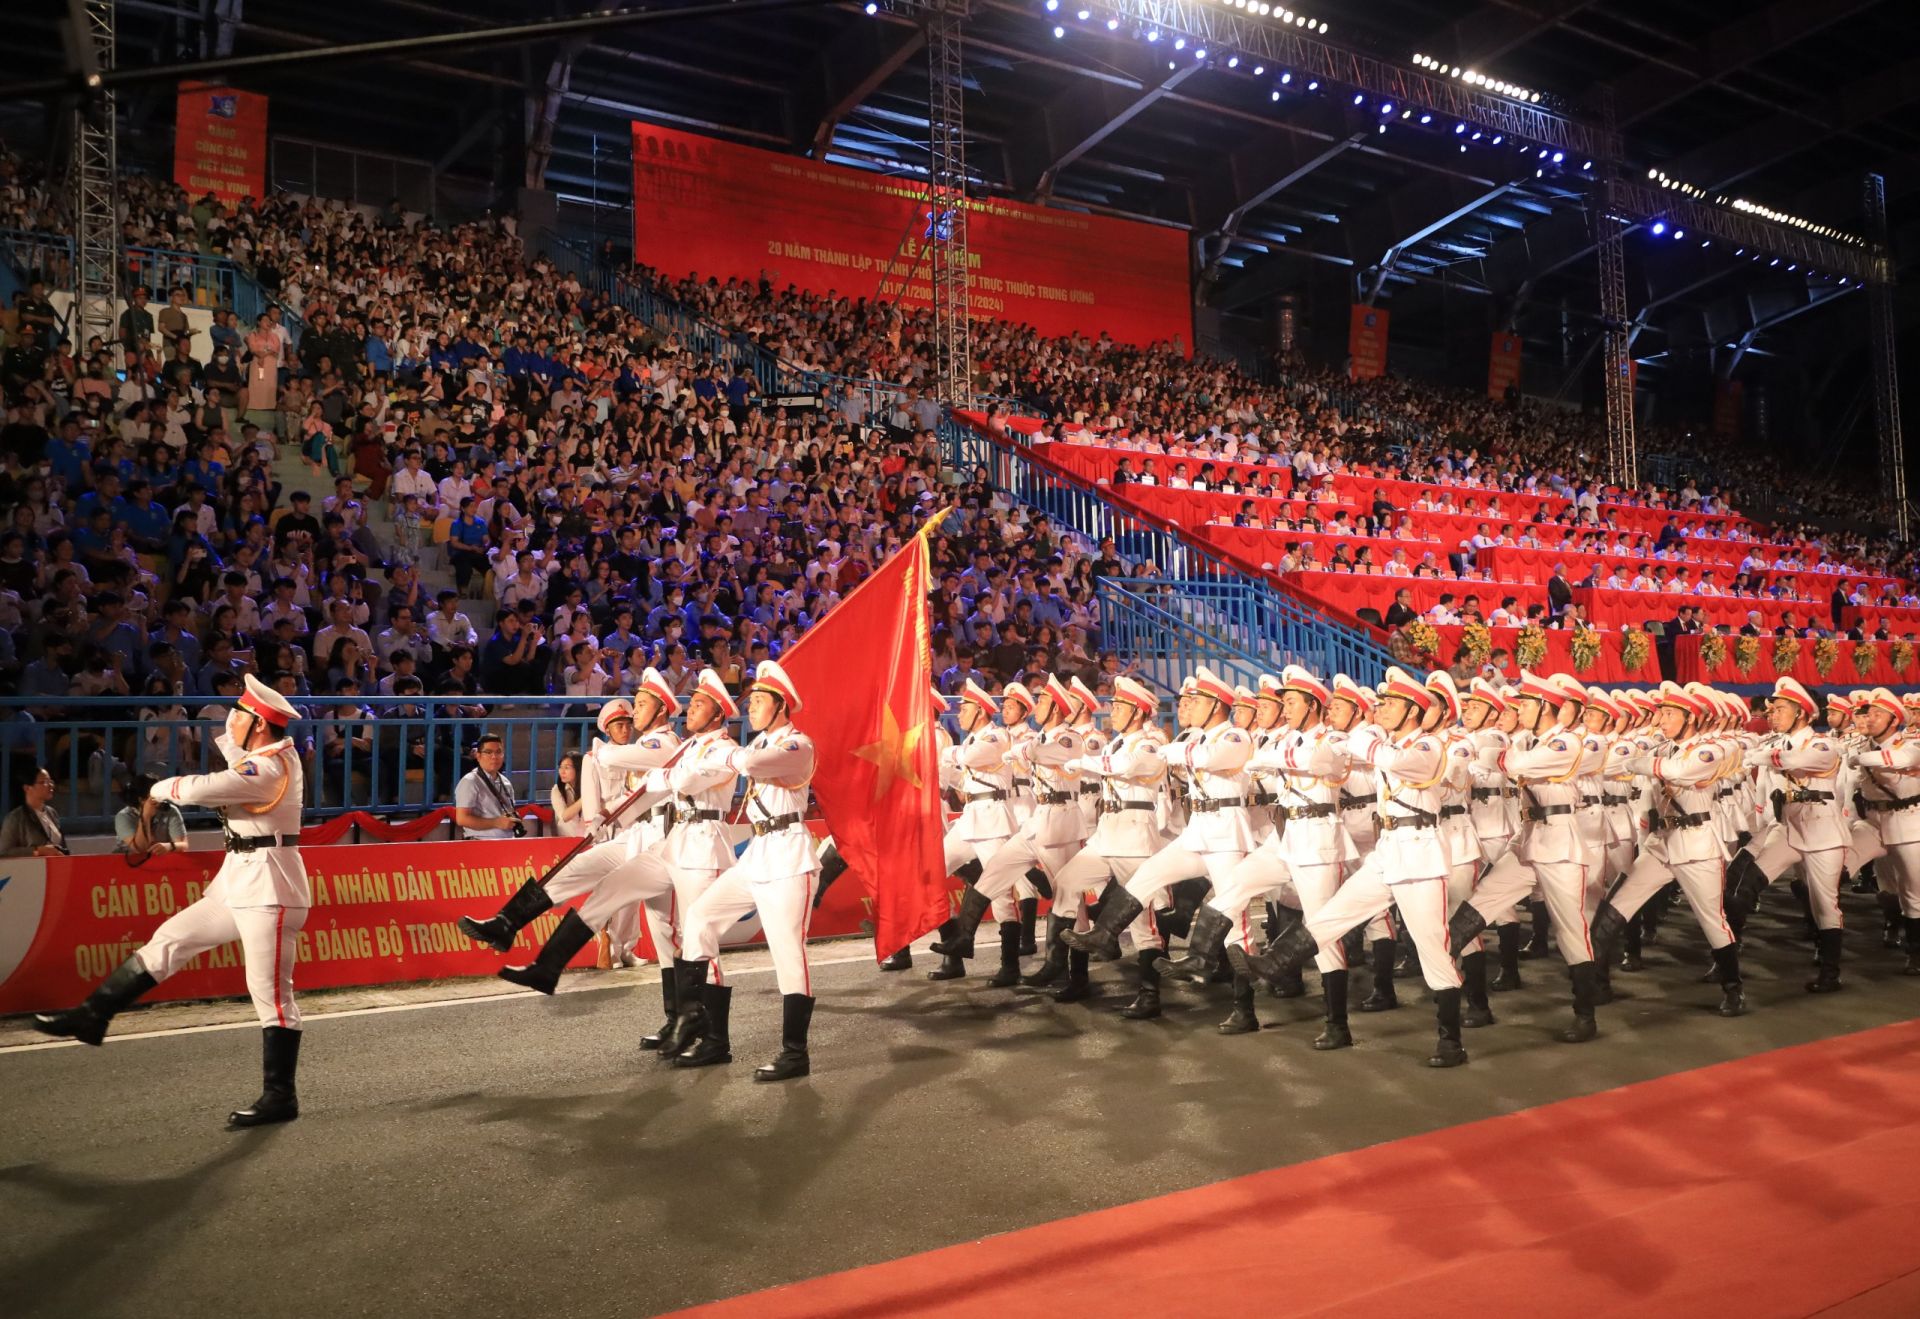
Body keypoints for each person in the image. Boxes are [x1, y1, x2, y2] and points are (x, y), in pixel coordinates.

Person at [33, 675, 311, 1127]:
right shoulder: (267, 755)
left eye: (239, 714)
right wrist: (237, 733)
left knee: (271, 995)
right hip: (239, 879)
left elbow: (202, 789)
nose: (230, 719)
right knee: (171, 938)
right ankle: (92, 1015)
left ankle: (281, 1096)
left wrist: (160, 790)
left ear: (259, 724)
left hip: (269, 887)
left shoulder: (269, 769)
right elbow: (237, 753)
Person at [673, 659, 821, 1081]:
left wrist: (724, 751)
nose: (751, 708)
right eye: (752, 700)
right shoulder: (754, 746)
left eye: (759, 701)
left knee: (788, 954)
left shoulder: (798, 745)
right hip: (758, 852)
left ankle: (795, 1053)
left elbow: (752, 766)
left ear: (781, 706)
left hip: (789, 859)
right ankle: (709, 1033)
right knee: (700, 918)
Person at [454, 733, 523, 839]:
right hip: (480, 844)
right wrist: (496, 822)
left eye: (498, 752)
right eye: (488, 752)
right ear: (478, 756)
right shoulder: (470, 781)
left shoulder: (506, 782)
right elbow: (462, 819)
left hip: (507, 842)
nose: (494, 757)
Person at [114, 774, 188, 860]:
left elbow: (183, 845)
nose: (161, 799)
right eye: (155, 796)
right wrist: (146, 816)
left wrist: (169, 846)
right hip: (129, 863)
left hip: (161, 862)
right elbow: (140, 849)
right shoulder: (123, 816)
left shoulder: (170, 811)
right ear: (141, 800)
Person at [0, 765, 67, 856]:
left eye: (50, 781)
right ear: (27, 788)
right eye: (44, 782)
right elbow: (4, 852)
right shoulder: (16, 818)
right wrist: (37, 851)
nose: (50, 785)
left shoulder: (52, 813)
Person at [551, 753, 586, 838]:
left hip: (588, 839)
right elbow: (564, 817)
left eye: (567, 768)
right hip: (566, 839)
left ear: (578, 769)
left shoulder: (588, 786)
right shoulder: (557, 790)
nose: (562, 772)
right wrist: (585, 797)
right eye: (560, 767)